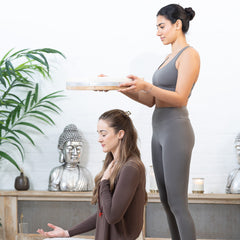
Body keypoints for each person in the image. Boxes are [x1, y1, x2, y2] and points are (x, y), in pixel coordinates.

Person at [118, 4, 200, 240]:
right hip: (159, 129)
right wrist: (118, 87)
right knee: (165, 200)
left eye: (162, 26)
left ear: (178, 25)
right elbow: (150, 100)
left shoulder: (189, 55)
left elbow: (180, 97)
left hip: (176, 130)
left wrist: (147, 85)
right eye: (157, 27)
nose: (158, 32)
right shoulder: (168, 57)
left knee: (177, 203)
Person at [37, 109, 147, 240]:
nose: (99, 139)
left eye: (104, 134)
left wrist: (104, 182)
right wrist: (67, 233)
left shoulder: (131, 168)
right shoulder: (113, 164)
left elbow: (112, 216)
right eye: (98, 134)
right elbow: (103, 215)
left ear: (120, 134)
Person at [48, 124, 93, 192]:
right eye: (70, 148)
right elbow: (53, 197)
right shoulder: (56, 173)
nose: (75, 153)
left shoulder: (86, 173)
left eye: (78, 148)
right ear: (61, 149)